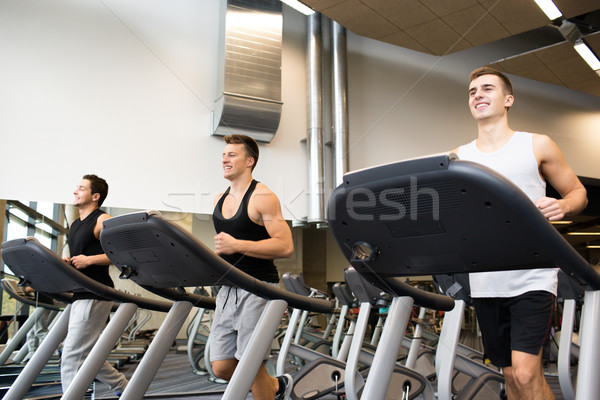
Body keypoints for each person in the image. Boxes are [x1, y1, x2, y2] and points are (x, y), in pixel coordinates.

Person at [451, 67, 588, 400]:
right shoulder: (459, 157)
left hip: (531, 276)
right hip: (486, 280)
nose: (478, 95)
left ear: (508, 99)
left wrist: (565, 207)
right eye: (472, 91)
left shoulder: (536, 144)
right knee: (510, 374)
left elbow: (577, 192)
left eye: (487, 89)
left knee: (527, 372)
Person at [210, 134, 294, 400]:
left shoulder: (263, 197)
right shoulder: (218, 199)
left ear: (249, 161)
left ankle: (269, 388)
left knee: (250, 365)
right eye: (224, 155)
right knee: (221, 365)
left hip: (258, 288)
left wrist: (237, 245)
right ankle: (276, 386)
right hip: (227, 290)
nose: (225, 159)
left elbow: (285, 246)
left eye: (232, 155)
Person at [61, 174, 128, 396]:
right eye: (76, 187)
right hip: (80, 292)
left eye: (81, 188)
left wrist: (89, 260)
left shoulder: (102, 220)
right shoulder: (75, 224)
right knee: (87, 354)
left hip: (95, 291)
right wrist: (70, 262)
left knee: (72, 353)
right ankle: (123, 387)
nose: (75, 191)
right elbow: (81, 255)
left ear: (95, 196)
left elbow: (120, 253)